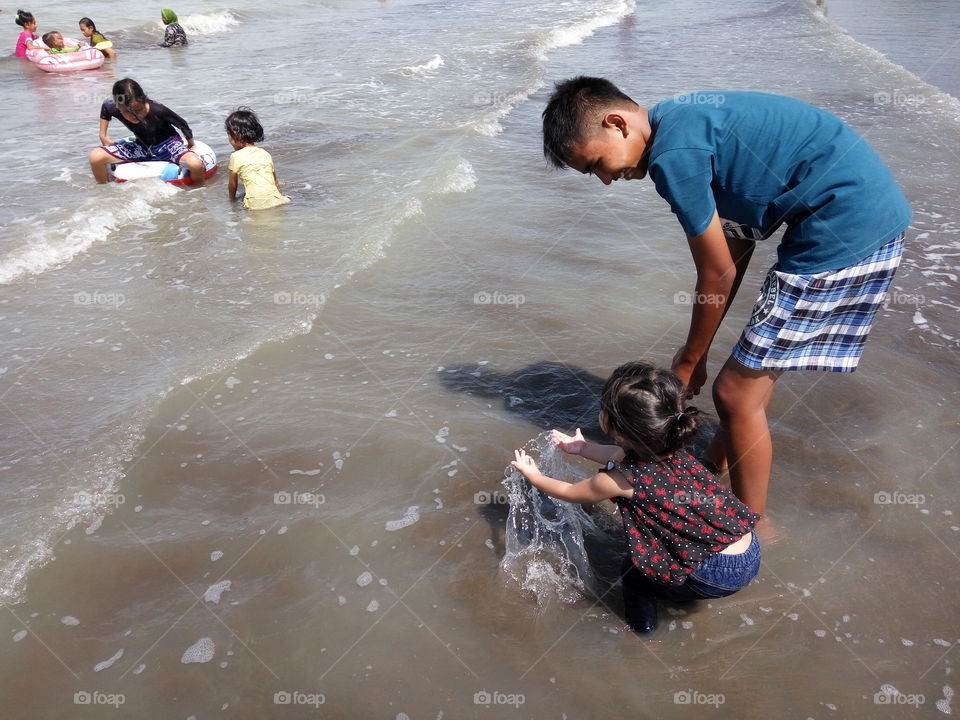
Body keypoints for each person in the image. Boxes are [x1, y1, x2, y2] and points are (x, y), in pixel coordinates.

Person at [541, 77, 911, 516]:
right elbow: (733, 250)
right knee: (743, 386)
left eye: (596, 164)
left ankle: (749, 529)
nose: (605, 180)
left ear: (617, 123)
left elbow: (716, 271)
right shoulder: (682, 124)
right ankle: (708, 468)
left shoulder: (672, 157)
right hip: (861, 214)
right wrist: (697, 354)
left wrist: (689, 360)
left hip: (845, 227)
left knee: (735, 393)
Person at [510, 361, 760, 634]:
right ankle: (684, 591)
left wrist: (534, 476)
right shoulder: (670, 448)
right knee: (665, 542)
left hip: (718, 572)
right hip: (746, 546)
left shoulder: (618, 480)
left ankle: (643, 633)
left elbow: (570, 493)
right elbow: (617, 455)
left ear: (613, 427)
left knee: (634, 575)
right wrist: (582, 448)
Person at [88, 78, 205, 186]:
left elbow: (182, 124)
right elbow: (105, 106)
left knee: (195, 164)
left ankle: (198, 191)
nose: (135, 115)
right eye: (128, 112)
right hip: (141, 147)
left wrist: (191, 144)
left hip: (168, 145)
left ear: (144, 100)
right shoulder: (114, 107)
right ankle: (105, 188)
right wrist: (102, 135)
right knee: (95, 156)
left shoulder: (159, 110)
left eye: (138, 110)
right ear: (118, 106)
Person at [225, 108, 290, 210]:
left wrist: (231, 200)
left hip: (255, 205)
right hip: (277, 201)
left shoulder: (235, 156)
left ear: (235, 134)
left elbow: (233, 185)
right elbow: (276, 183)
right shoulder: (265, 154)